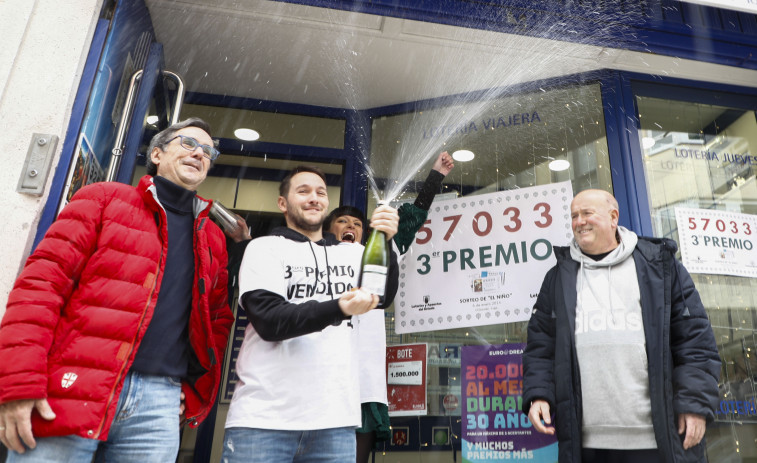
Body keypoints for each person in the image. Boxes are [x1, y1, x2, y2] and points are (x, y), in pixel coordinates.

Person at [0, 118, 234, 462]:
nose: (199, 153)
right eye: (188, 143)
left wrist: (187, 388)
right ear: (156, 153)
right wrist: (19, 383)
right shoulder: (105, 199)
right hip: (72, 386)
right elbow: (41, 287)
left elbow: (216, 322)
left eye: (208, 151)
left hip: (159, 405)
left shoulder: (212, 237)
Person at [522, 189, 721, 463]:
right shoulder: (558, 277)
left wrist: (695, 406)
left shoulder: (659, 268)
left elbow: (694, 342)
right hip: (586, 444)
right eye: (574, 216)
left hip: (655, 439)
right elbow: (541, 347)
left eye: (587, 213)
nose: (579, 221)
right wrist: (539, 395)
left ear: (613, 217)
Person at [221, 166, 400, 463]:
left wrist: (386, 238)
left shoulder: (353, 253)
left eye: (320, 192)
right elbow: (270, 321)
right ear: (283, 203)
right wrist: (338, 307)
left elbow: (381, 295)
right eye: (303, 191)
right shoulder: (262, 248)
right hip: (262, 422)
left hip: (336, 424)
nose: (314, 198)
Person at [321, 151, 454, 463]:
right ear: (328, 230)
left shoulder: (377, 253)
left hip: (364, 382)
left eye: (356, 223)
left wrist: (436, 175)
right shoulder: (313, 255)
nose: (349, 226)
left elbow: (414, 216)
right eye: (342, 222)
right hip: (322, 380)